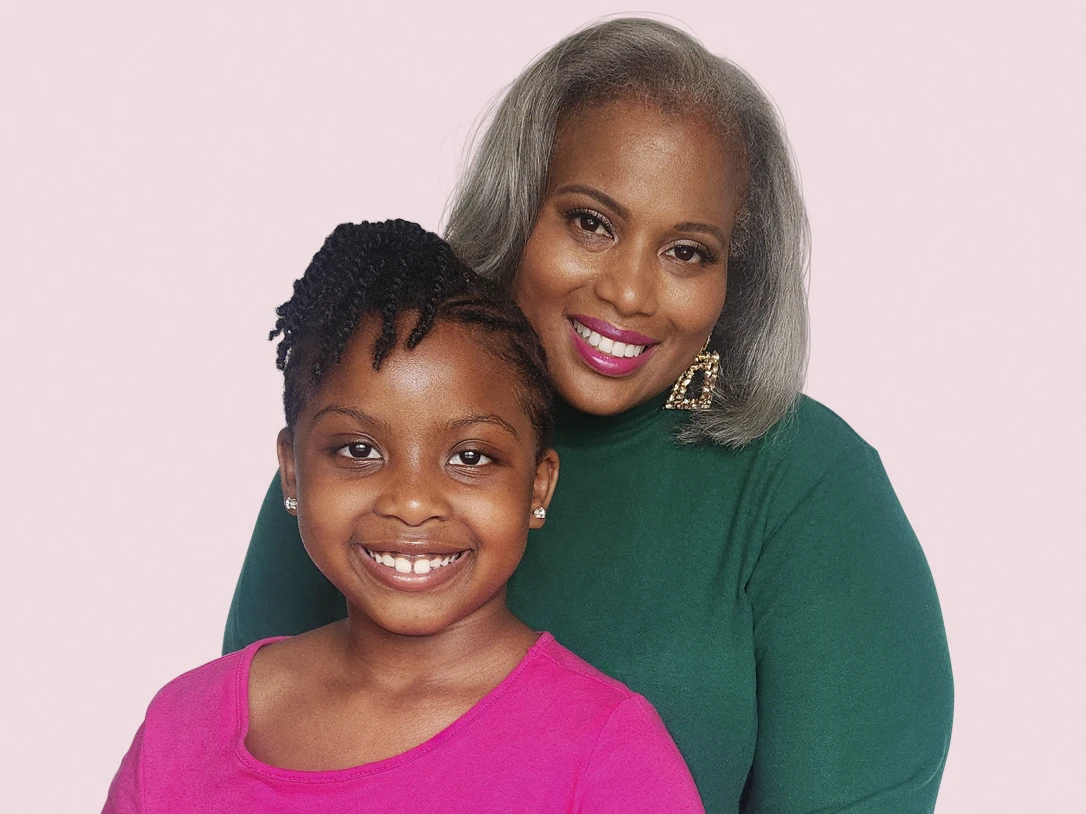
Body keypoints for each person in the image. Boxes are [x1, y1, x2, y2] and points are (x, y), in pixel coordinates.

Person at [224, 19, 954, 813]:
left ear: (732, 279)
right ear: (518, 209)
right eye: (591, 223)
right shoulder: (367, 444)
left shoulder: (807, 489)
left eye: (687, 252)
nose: (629, 293)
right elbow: (239, 766)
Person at [104, 220, 705, 813]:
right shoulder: (181, 728)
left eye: (471, 457)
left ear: (537, 485)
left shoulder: (607, 751)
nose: (412, 502)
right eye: (358, 450)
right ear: (292, 470)